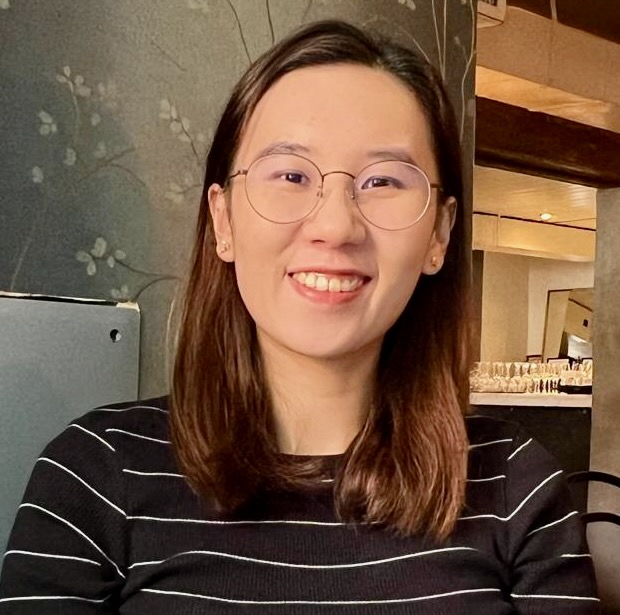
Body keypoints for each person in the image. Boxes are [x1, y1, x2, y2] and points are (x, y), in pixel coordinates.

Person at [0, 19, 599, 614]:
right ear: (224, 219)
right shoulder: (94, 474)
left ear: (439, 232)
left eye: (383, 180)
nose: (336, 226)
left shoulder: (515, 488)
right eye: (291, 175)